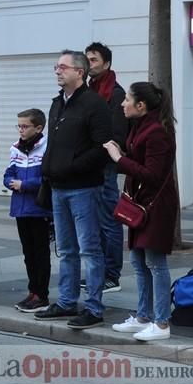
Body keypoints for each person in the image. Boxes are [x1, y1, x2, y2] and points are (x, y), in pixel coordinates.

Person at [35, 50, 112, 330]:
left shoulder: (94, 104)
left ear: (80, 72)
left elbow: (102, 148)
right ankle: (66, 302)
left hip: (84, 188)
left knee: (90, 250)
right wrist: (49, 168)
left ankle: (93, 307)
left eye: (63, 67)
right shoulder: (58, 104)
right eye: (56, 66)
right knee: (66, 249)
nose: (58, 71)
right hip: (58, 187)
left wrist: (72, 167)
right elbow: (53, 144)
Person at [105, 82, 178, 341]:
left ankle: (161, 324)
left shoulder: (157, 132)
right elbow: (141, 164)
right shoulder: (140, 127)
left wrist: (118, 158)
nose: (122, 104)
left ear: (141, 105)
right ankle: (144, 316)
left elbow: (152, 175)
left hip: (155, 206)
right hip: (141, 205)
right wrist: (123, 155)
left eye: (127, 99)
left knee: (155, 263)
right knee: (138, 261)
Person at [85, 42, 129, 293]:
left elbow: (116, 134)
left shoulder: (116, 93)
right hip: (90, 166)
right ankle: (99, 272)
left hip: (105, 166)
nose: (89, 64)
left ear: (107, 63)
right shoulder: (89, 90)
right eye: (87, 59)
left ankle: (111, 274)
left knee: (110, 220)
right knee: (95, 221)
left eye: (94, 60)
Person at [4, 108, 52, 313]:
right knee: (28, 253)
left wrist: (25, 184)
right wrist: (10, 182)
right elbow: (8, 173)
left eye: (25, 126)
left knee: (40, 253)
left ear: (38, 128)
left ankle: (42, 295)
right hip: (21, 209)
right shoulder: (15, 148)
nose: (21, 130)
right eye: (19, 126)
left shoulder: (46, 148)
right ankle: (32, 291)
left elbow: (47, 177)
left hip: (39, 209)